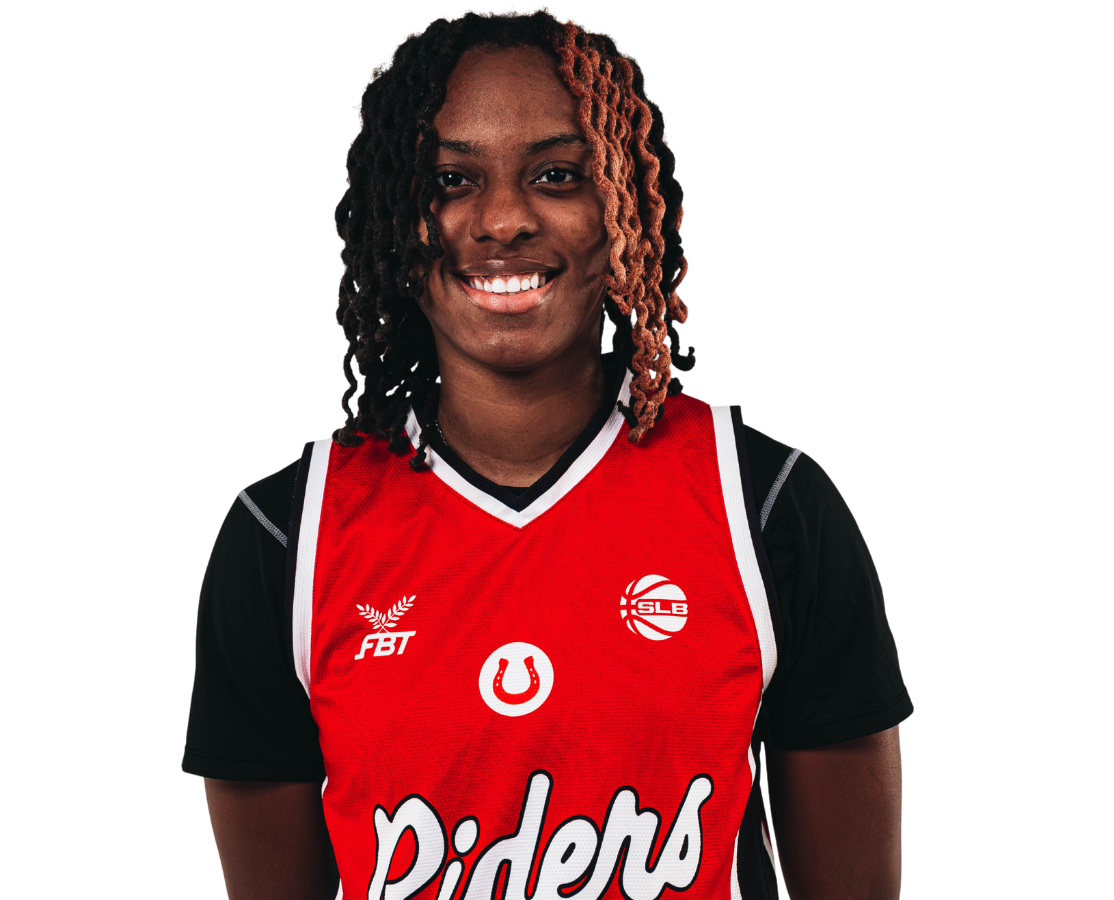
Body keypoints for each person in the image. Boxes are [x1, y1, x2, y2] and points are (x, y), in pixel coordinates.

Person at [183, 12, 911, 900]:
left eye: (557, 175)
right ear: (394, 220)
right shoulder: (284, 539)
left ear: (628, 212)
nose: (503, 220)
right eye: (450, 180)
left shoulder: (766, 507)